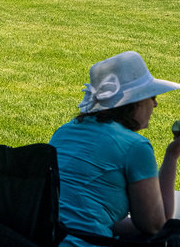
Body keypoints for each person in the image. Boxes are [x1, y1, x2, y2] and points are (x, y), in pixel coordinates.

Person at [50, 52, 180, 245]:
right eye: (151, 96)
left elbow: (84, 217)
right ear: (135, 102)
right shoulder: (135, 147)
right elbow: (156, 226)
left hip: (47, 238)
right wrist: (172, 154)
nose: (155, 103)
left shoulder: (64, 132)